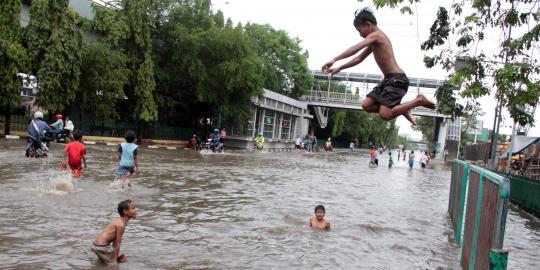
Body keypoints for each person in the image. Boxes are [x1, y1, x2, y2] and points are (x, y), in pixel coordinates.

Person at [321, 7, 436, 126]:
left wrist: (334, 59)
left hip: (397, 80)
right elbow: (359, 58)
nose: (360, 35)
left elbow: (355, 49)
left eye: (360, 31)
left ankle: (418, 100)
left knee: (385, 114)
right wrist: (340, 67)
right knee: (367, 105)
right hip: (388, 80)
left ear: (368, 24)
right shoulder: (374, 41)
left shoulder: (377, 35)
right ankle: (401, 108)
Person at [91, 200, 136, 266]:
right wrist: (114, 260)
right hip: (101, 247)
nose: (135, 210)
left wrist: (116, 255)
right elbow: (118, 243)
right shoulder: (121, 225)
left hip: (97, 246)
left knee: (121, 259)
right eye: (133, 208)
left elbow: (114, 242)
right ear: (125, 211)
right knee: (113, 265)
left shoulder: (119, 221)